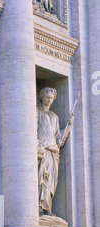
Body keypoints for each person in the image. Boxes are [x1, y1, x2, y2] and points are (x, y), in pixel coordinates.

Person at [37, 87, 74, 216]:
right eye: (47, 97)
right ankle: (39, 207)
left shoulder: (54, 117)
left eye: (52, 98)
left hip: (53, 152)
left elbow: (59, 139)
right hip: (43, 149)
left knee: (51, 181)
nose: (49, 100)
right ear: (41, 96)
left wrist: (69, 126)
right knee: (42, 177)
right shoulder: (37, 112)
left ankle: (47, 207)